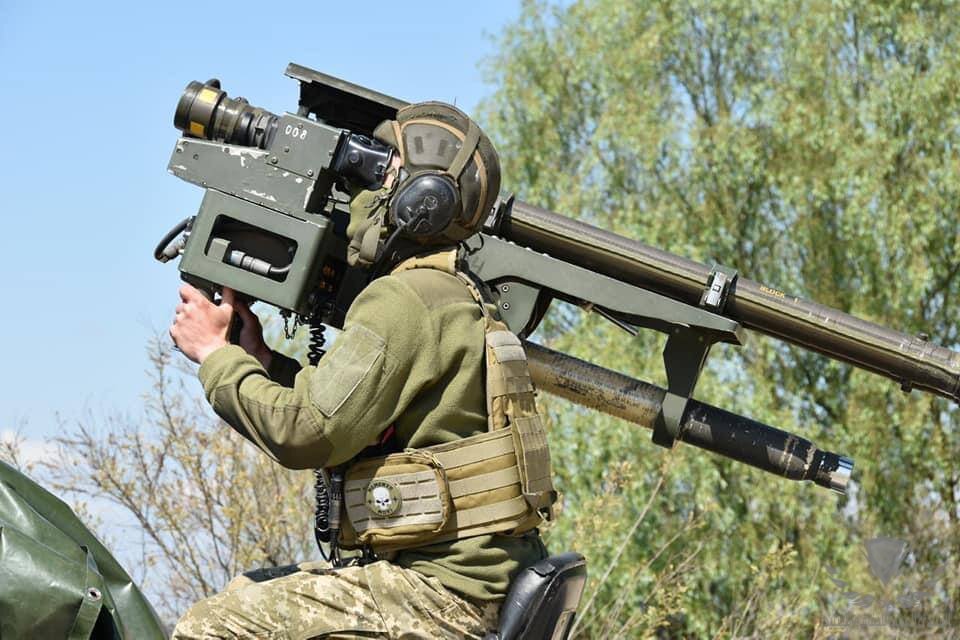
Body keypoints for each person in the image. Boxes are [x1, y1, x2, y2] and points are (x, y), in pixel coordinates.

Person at [168, 102, 556, 639]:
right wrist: (262, 363)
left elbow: (307, 433)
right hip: (475, 584)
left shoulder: (405, 299)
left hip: (443, 597)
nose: (364, 193)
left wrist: (215, 354)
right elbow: (353, 418)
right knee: (245, 592)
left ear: (422, 202)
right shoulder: (454, 293)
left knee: (212, 626)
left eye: (384, 173)